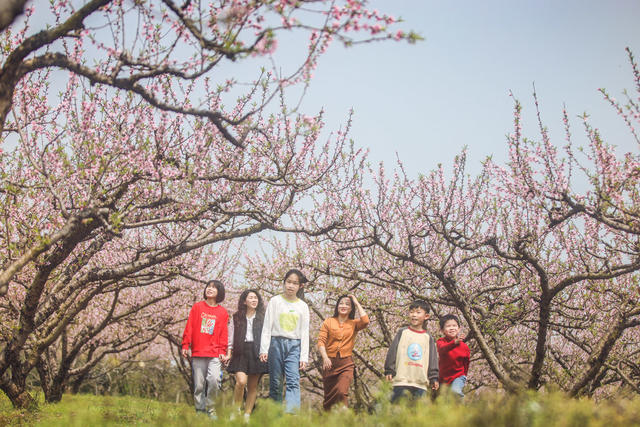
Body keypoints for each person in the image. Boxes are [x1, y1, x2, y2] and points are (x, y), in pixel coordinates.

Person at [259, 269, 310, 413]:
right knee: (275, 381)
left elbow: (305, 332)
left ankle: (292, 415)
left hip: (294, 346)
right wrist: (264, 349)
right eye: (288, 282)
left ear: (300, 286)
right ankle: (276, 415)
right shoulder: (275, 301)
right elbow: (267, 326)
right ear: (284, 283)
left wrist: (304, 357)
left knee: (293, 381)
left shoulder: (303, 306)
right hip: (275, 344)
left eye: (295, 283)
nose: (291, 286)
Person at [181, 280, 229, 418]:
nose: (210, 289)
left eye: (214, 288)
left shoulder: (222, 312)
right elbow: (189, 326)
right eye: (208, 286)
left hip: (214, 353)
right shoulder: (197, 307)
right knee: (199, 385)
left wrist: (222, 351)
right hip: (198, 352)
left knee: (214, 380)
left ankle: (211, 408)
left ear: (219, 292)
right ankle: (200, 410)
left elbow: (223, 333)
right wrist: (185, 345)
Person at [317, 294, 369, 410]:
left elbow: (365, 321)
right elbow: (321, 341)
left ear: (351, 308)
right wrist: (325, 357)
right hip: (329, 364)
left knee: (341, 392)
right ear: (337, 306)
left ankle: (344, 420)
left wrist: (356, 302)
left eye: (347, 304)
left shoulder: (354, 323)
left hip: (346, 364)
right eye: (341, 303)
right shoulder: (328, 322)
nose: (343, 306)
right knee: (328, 399)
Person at [384, 299, 439, 403]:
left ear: (426, 316)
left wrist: (434, 377)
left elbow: (432, 358)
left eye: (418, 312)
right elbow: (392, 352)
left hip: (420, 382)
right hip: (401, 380)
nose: (414, 315)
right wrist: (389, 370)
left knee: (415, 414)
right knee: (397, 410)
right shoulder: (402, 332)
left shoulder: (428, 337)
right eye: (412, 312)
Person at [227, 289, 268, 422]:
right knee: (241, 382)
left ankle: (247, 415)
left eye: (256, 298)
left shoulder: (263, 317)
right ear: (244, 301)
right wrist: (229, 352)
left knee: (252, 386)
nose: (254, 300)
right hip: (240, 351)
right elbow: (231, 335)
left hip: (256, 351)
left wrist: (264, 351)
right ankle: (236, 409)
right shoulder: (236, 316)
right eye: (251, 298)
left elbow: (266, 336)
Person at [437, 314, 470, 399]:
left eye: (454, 326)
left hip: (458, 376)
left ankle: (461, 409)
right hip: (444, 378)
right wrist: (454, 343)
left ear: (459, 329)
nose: (452, 328)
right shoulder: (441, 342)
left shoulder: (464, 347)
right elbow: (442, 349)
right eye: (448, 326)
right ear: (442, 330)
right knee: (444, 399)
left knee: (455, 391)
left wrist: (464, 376)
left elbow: (466, 362)